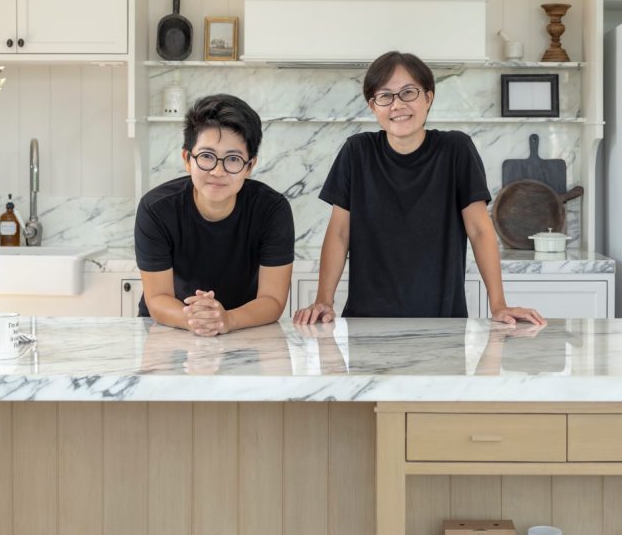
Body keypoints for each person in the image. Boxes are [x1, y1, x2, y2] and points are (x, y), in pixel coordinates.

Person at [293, 50, 545, 326]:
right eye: (385, 96)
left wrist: (499, 305)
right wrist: (324, 301)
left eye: (408, 92)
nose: (397, 104)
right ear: (373, 106)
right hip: (366, 323)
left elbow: (479, 231)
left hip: (442, 322)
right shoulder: (357, 152)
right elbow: (340, 233)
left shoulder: (456, 150)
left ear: (428, 97)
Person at [135, 93, 294, 335]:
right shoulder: (156, 209)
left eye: (233, 159)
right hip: (169, 326)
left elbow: (272, 300)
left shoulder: (272, 210)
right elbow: (157, 298)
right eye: (207, 156)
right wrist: (196, 319)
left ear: (250, 166)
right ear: (187, 159)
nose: (218, 171)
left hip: (244, 327)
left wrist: (227, 319)